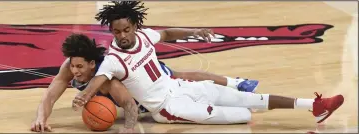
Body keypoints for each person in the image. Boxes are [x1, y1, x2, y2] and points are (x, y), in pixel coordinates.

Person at [72, 1, 345, 133]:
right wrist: (84, 96)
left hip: (182, 88)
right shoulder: (113, 59)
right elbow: (99, 80)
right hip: (170, 109)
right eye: (117, 31)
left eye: (126, 29)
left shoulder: (145, 36)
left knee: (252, 99)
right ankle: (263, 108)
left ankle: (316, 105)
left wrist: (195, 30)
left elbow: (167, 34)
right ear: (111, 31)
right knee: (240, 114)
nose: (122, 35)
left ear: (135, 26)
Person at [29, 33, 258, 132]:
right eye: (72, 65)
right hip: (135, 92)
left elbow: (129, 105)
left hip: (146, 84)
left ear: (91, 64)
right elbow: (50, 95)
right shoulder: (69, 68)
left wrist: (129, 127)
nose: (74, 71)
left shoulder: (108, 80)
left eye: (79, 66)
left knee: (178, 76)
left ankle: (235, 82)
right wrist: (41, 119)